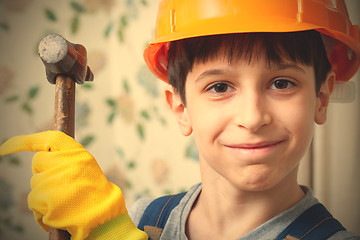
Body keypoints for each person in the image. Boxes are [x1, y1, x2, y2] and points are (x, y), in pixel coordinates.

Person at [0, 0, 359, 239]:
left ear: (321, 97)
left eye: (282, 83)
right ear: (180, 107)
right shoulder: (145, 219)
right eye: (220, 87)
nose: (252, 117)